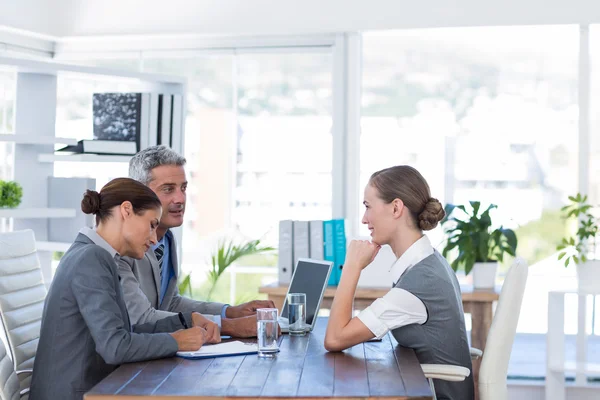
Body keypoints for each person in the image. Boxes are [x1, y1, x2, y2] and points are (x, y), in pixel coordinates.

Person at [30, 178, 218, 400]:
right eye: (151, 224)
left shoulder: (94, 254)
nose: (153, 239)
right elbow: (115, 346)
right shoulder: (91, 258)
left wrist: (186, 320)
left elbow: (125, 333)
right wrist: (178, 341)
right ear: (127, 210)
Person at [324, 165, 473, 400]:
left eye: (368, 207)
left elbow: (334, 339)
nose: (364, 219)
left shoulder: (418, 285)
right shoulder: (430, 261)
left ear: (395, 207)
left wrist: (351, 266)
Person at [118, 145, 274, 337]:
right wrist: (228, 326)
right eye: (168, 189)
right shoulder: (120, 247)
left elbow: (171, 303)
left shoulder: (166, 238)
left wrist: (230, 311)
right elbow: (140, 318)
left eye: (183, 188)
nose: (180, 198)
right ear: (139, 193)